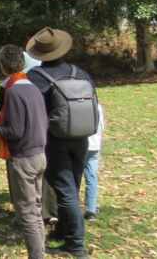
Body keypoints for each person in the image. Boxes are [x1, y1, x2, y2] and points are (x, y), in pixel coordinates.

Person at [26, 27, 94, 258]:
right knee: (72, 188)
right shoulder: (80, 73)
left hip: (54, 139)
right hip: (82, 137)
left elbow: (30, 110)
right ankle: (64, 232)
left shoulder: (35, 76)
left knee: (65, 192)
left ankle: (76, 246)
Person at [0, 45, 49, 259]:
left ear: (2, 66)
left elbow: (14, 131)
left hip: (24, 159)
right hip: (39, 154)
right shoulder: (32, 87)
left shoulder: (15, 90)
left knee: (27, 215)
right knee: (35, 212)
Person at [84, 104, 105, 220]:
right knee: (92, 177)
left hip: (79, 143)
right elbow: (102, 126)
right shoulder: (97, 106)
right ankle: (90, 209)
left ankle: (72, 207)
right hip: (95, 143)